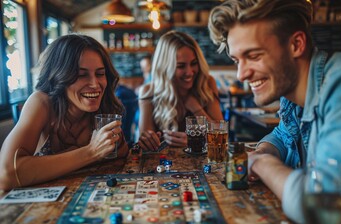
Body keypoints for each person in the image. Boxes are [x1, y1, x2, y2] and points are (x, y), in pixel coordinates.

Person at [208, 0, 341, 224]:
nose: (241, 74)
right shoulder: (294, 97)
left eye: (254, 55)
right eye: (236, 60)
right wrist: (263, 151)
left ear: (296, 44)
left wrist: (261, 163)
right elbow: (281, 135)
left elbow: (326, 208)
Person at [0, 34, 129, 191]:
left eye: (100, 74)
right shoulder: (41, 102)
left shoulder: (103, 104)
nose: (95, 84)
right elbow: (5, 175)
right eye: (81, 75)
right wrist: (91, 152)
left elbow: (120, 154)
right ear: (60, 76)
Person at [138, 30, 223, 151]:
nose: (189, 72)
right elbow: (146, 148)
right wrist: (148, 141)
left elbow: (221, 138)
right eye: (181, 66)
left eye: (194, 63)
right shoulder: (148, 92)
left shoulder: (206, 83)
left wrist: (196, 108)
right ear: (165, 68)